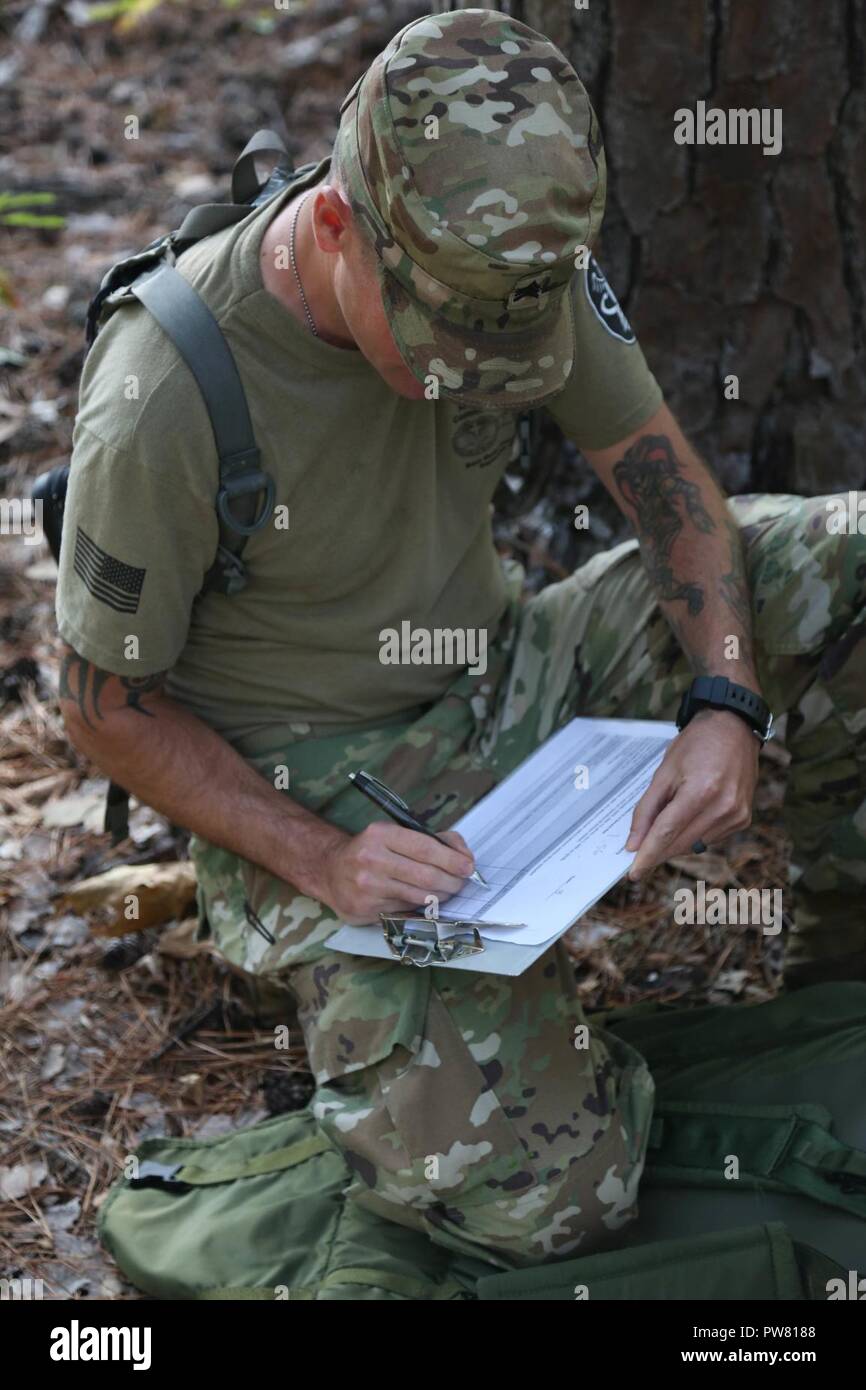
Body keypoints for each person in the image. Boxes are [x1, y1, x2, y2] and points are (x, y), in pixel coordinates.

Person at [54, 9, 865, 1268]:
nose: (471, 375)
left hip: (516, 677)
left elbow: (658, 473)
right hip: (326, 788)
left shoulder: (506, 265)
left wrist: (724, 696)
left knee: (846, 565)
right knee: (544, 1202)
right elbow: (103, 707)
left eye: (506, 346)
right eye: (439, 341)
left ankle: (837, 974)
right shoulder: (162, 395)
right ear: (335, 227)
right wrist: (319, 859)